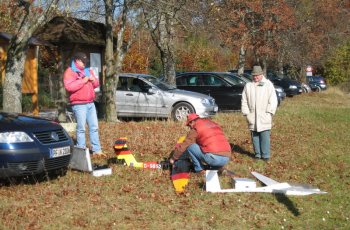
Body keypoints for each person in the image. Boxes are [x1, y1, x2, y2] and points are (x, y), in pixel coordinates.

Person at [63, 52, 105, 158]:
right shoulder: (70, 71)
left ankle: (97, 150)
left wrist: (93, 79)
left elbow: (96, 84)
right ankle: (81, 151)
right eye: (83, 61)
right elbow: (69, 87)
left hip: (91, 103)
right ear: (77, 60)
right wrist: (83, 80)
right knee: (81, 128)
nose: (84, 64)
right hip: (79, 104)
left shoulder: (87, 70)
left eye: (86, 62)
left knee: (94, 127)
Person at [241, 65, 278, 161]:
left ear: (261, 74)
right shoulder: (248, 86)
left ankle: (265, 155)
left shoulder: (268, 84)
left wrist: (269, 112)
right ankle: (257, 154)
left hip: (264, 115)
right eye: (254, 75)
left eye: (257, 75)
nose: (255, 77)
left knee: (264, 136)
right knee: (255, 136)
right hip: (252, 115)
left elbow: (273, 100)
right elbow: (244, 101)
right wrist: (246, 113)